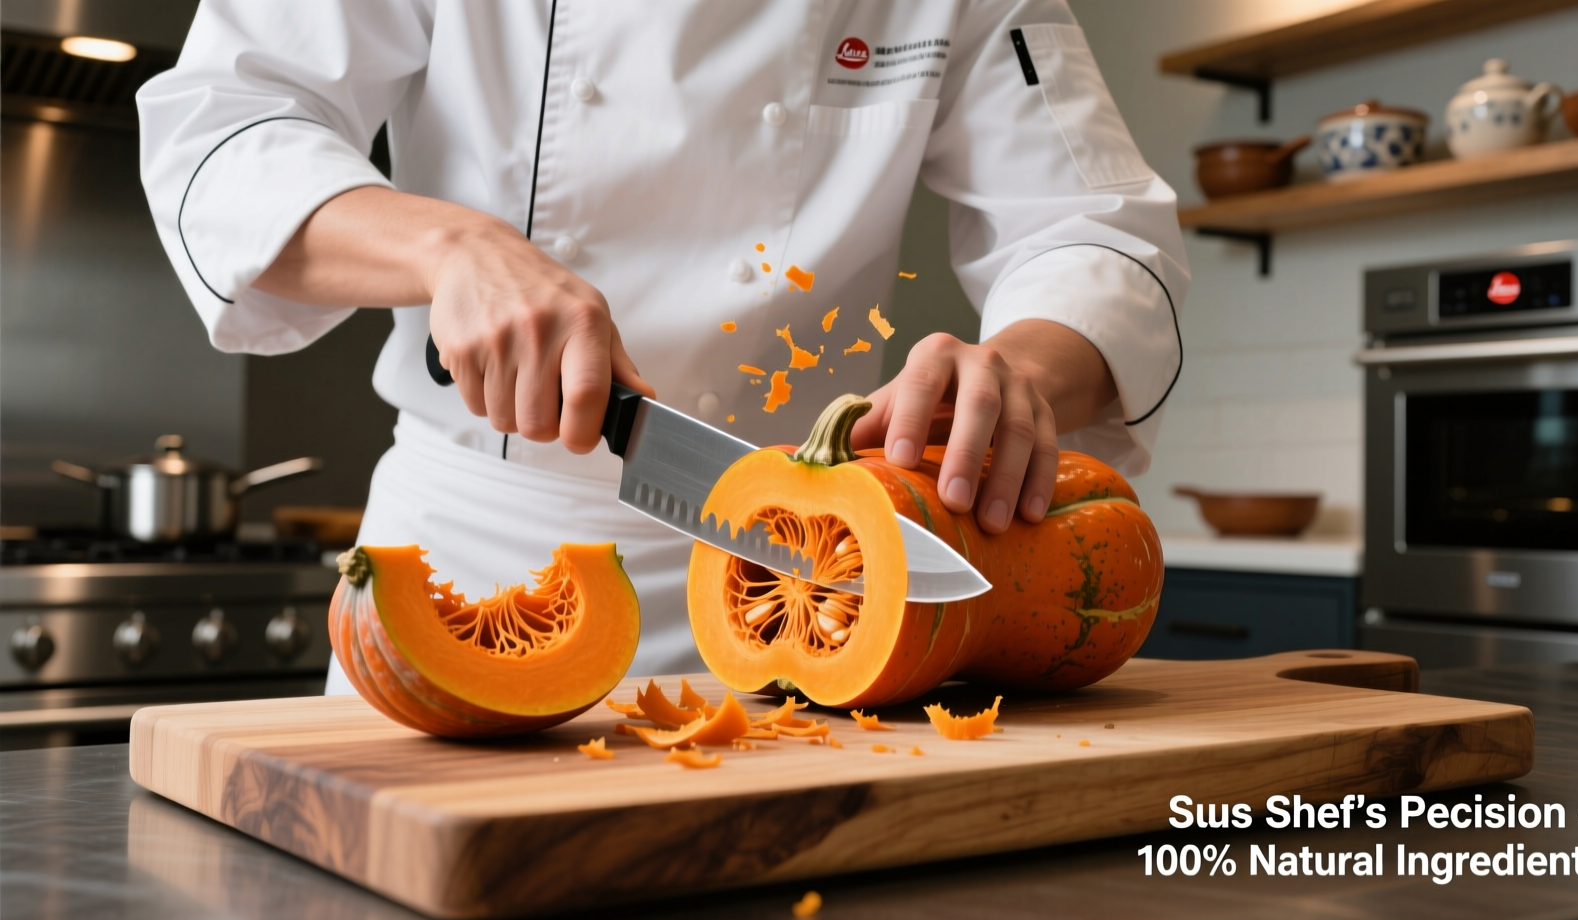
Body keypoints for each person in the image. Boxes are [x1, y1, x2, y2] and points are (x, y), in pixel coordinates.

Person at [137, 1, 1187, 687]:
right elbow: (223, 131)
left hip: (814, 585)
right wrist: (450, 244)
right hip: (473, 551)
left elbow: (1093, 225)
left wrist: (1021, 371)